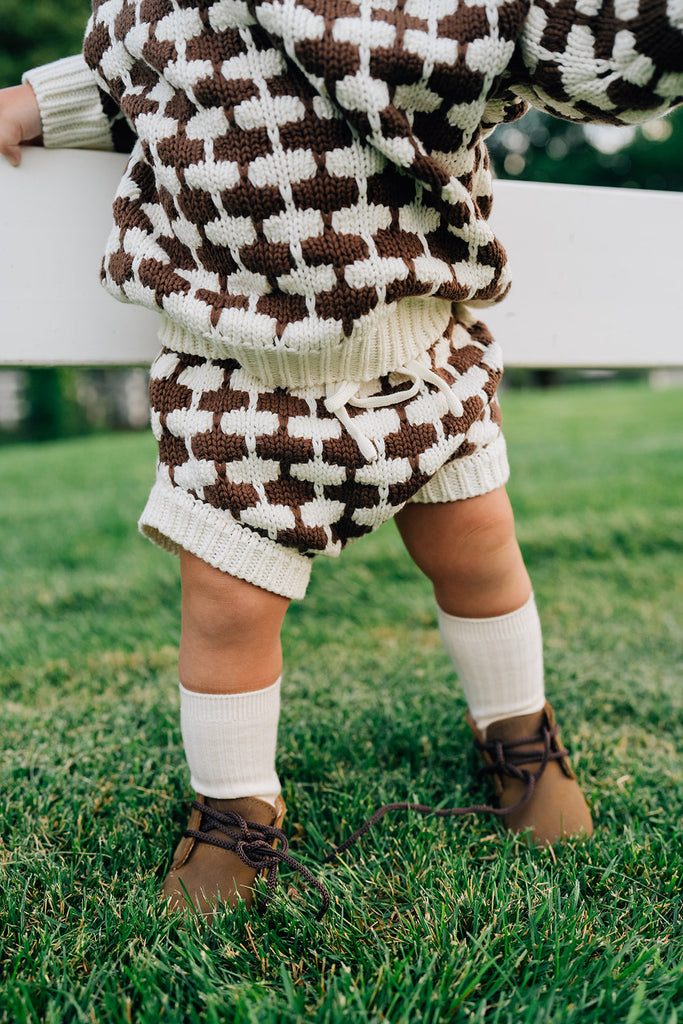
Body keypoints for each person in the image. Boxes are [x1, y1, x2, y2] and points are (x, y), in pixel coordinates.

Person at [0, 0, 680, 922]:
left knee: (479, 552)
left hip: (419, 363)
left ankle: (519, 737)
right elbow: (130, 75)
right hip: (235, 375)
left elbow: (582, 52)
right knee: (228, 604)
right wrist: (39, 103)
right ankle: (236, 809)